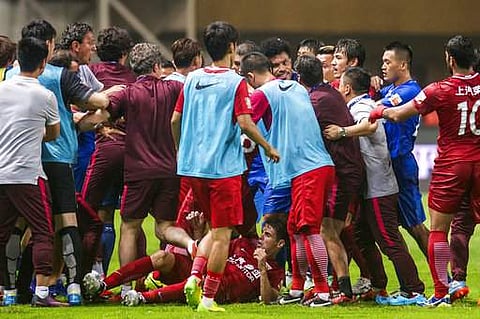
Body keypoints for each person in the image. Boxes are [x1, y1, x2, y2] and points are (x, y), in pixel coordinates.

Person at [171, 21, 279, 312]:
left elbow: (174, 120)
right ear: (232, 48)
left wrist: (182, 150)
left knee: (211, 230)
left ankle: (194, 276)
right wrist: (268, 147)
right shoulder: (235, 82)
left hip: (193, 168)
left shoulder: (192, 79)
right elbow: (245, 122)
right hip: (223, 170)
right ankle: (208, 298)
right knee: (222, 233)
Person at [7, 19, 114, 305]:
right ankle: (74, 288)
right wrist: (108, 101)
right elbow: (95, 101)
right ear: (49, 45)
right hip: (58, 157)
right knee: (65, 222)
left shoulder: (9, 75)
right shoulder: (58, 76)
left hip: (22, 159)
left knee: (20, 226)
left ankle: (15, 289)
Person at [369, 35, 480, 307]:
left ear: (450, 59)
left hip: (452, 166)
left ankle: (441, 293)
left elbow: (398, 114)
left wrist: (377, 112)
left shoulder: (438, 89)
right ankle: (458, 279)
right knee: (463, 226)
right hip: (478, 162)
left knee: (439, 230)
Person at [324, 67, 425, 306]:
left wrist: (341, 132)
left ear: (347, 88)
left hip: (378, 187)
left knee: (389, 240)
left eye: (341, 85)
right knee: (361, 236)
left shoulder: (361, 107)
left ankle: (413, 289)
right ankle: (378, 286)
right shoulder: (361, 104)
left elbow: (369, 126)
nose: (339, 89)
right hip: (369, 187)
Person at [242, 52, 335, 307]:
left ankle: (322, 291)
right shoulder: (297, 87)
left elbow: (244, 123)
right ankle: (296, 287)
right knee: (294, 228)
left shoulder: (262, 94)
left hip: (308, 170)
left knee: (308, 229)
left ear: (250, 77)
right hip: (315, 166)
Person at [106, 42, 197, 298]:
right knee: (164, 226)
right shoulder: (175, 88)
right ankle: (191, 244)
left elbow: (105, 110)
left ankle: (125, 287)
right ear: (158, 66)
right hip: (170, 170)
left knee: (129, 227)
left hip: (138, 172)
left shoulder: (128, 93)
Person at [84, 215, 286, 307]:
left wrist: (261, 269)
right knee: (162, 257)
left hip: (218, 289)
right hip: (203, 271)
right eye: (263, 232)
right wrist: (198, 234)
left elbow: (269, 298)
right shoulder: (245, 243)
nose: (261, 237)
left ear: (280, 244)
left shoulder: (275, 271)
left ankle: (143, 298)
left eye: (267, 235)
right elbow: (215, 246)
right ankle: (103, 284)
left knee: (198, 283)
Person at [0, 36, 63, 307]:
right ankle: (41, 294)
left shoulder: (1, 89)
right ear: (43, 64)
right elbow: (53, 133)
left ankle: (5, 291)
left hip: (1, 171)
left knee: (1, 234)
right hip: (27, 174)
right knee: (42, 231)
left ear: (16, 62)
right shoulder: (44, 95)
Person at [295, 55, 364, 303]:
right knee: (333, 229)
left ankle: (343, 290)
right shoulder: (330, 93)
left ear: (299, 77)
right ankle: (338, 286)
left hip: (342, 172)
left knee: (327, 230)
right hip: (347, 169)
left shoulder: (314, 101)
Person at [80, 26, 137, 276]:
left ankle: (88, 273)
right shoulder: (133, 78)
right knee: (127, 220)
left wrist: (99, 124)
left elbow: (74, 103)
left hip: (96, 152)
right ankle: (127, 279)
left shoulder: (89, 73)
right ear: (125, 53)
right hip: (131, 153)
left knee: (89, 214)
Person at [379, 41, 429, 258]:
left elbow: (377, 107)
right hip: (385, 164)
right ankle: (409, 284)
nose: (383, 66)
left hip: (400, 163)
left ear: (403, 65)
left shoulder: (410, 91)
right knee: (384, 228)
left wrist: (369, 94)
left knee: (415, 226)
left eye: (387, 62)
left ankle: (445, 280)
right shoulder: (391, 88)